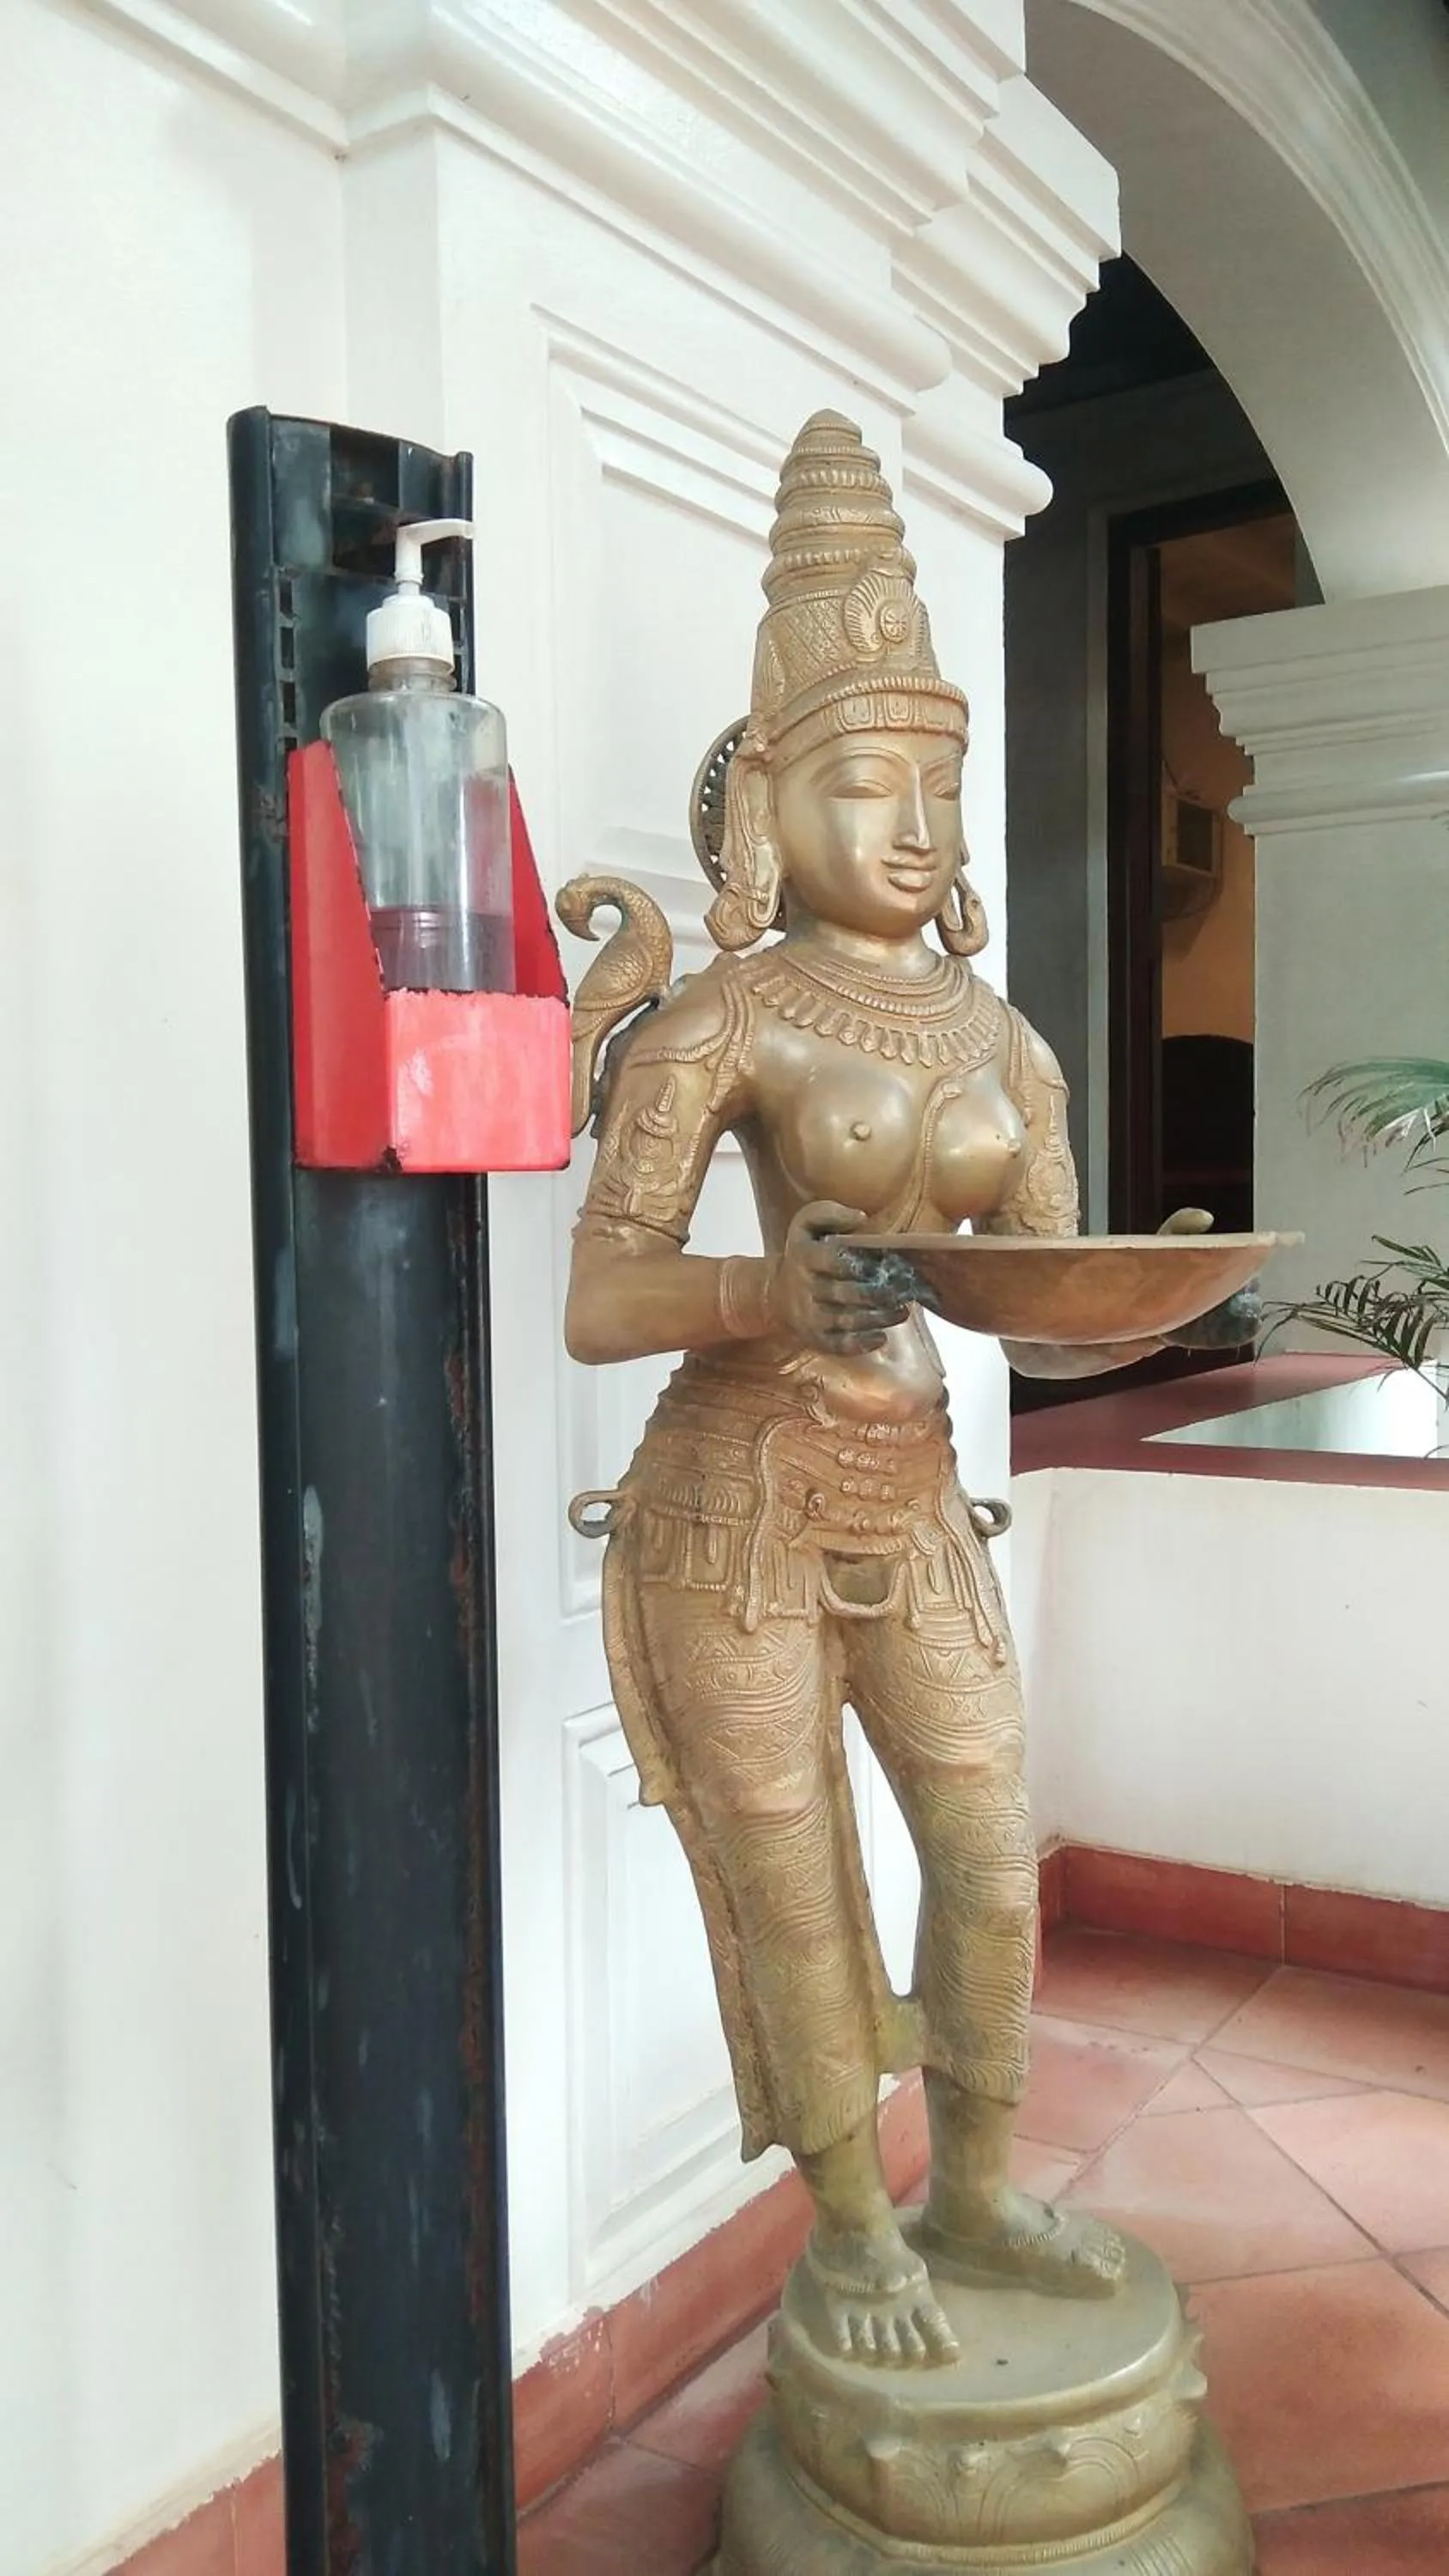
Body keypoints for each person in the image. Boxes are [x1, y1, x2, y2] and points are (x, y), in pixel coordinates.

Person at [562, 413, 1238, 2371]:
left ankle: (984, 2190)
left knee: (985, 1846)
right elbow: (600, 1298)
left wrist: (1138, 1302)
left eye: (939, 781)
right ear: (773, 803)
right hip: (736, 1508)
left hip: (918, 1491)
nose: (919, 823)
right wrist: (759, 1288)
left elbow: (1031, 1307)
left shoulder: (1006, 1045)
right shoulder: (725, 1022)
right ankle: (854, 2226)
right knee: (790, 1873)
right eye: (869, 782)